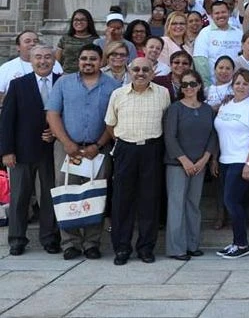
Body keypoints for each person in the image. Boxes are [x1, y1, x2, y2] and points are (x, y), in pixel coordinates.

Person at [45, 44, 119, 260]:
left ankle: (92, 243)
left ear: (101, 61)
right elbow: (53, 114)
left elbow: (113, 119)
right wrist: (67, 142)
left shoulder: (112, 86)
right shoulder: (64, 83)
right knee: (66, 191)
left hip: (98, 148)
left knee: (95, 193)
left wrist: (98, 144)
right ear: (78, 61)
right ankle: (70, 243)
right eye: (84, 58)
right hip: (67, 147)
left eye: (93, 59)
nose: (88, 62)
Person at [105, 56, 171, 265]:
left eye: (145, 70)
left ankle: (146, 248)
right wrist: (125, 143)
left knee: (149, 201)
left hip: (152, 150)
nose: (140, 73)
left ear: (152, 72)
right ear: (129, 71)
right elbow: (110, 124)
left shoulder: (163, 93)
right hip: (126, 150)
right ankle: (122, 248)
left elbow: (167, 122)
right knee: (122, 201)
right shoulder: (118, 94)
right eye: (136, 70)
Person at [1, 44, 60, 256]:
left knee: (49, 195)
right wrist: (6, 151)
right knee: (19, 197)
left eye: (47, 57)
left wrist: (56, 133)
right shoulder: (18, 85)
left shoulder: (62, 81)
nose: (43, 61)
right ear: (30, 60)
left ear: (53, 60)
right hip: (21, 149)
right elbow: (6, 120)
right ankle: (17, 239)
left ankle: (50, 237)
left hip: (52, 149)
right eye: (38, 57)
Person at [163, 69, 217, 261]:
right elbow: (170, 137)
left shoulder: (206, 109)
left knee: (193, 205)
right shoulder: (175, 108)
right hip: (178, 164)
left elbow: (213, 135)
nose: (189, 88)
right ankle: (176, 248)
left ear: (199, 86)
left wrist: (204, 159)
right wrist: (184, 160)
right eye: (184, 84)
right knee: (176, 205)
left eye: (192, 84)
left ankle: (192, 244)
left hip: (199, 164)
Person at [214, 68, 249, 259]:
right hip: (225, 159)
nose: (241, 86)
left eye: (245, 83)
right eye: (237, 83)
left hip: (243, 160)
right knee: (232, 202)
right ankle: (236, 242)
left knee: (231, 201)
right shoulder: (226, 105)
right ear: (232, 85)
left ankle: (242, 244)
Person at [0, 30, 62, 106]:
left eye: (35, 41)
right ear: (18, 47)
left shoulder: (54, 64)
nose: (32, 43)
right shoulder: (6, 68)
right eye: (27, 41)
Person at [194, 1, 243, 86]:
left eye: (223, 12)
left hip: (237, 86)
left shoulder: (238, 33)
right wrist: (208, 87)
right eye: (217, 13)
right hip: (214, 86)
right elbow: (200, 62)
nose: (220, 15)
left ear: (229, 13)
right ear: (212, 16)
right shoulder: (205, 33)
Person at [57, 9, 100, 73]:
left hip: (88, 75)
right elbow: (57, 61)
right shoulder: (65, 39)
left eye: (83, 20)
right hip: (67, 75)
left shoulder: (95, 40)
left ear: (88, 22)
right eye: (76, 20)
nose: (79, 22)